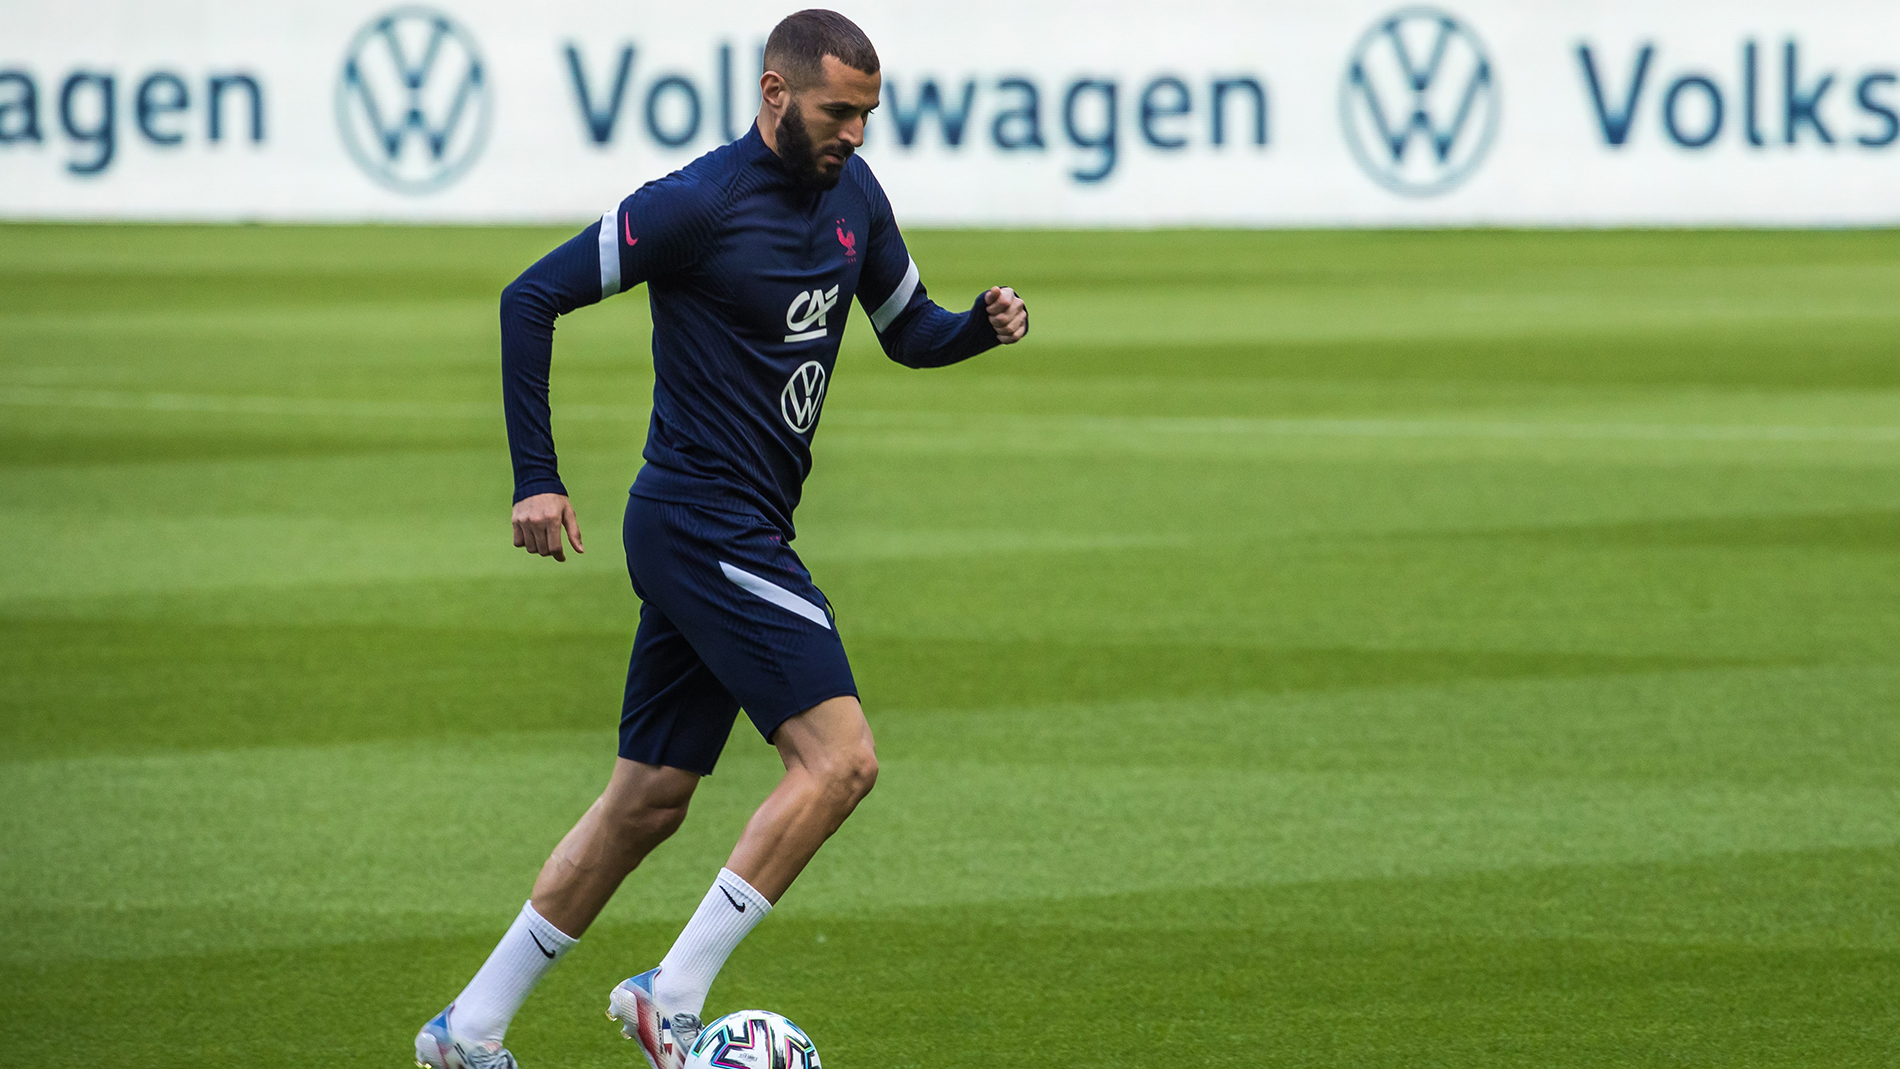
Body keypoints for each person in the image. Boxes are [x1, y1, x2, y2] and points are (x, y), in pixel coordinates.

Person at [413, 9, 1029, 1069]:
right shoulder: (698, 203)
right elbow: (531, 297)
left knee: (647, 802)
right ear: (776, 94)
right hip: (703, 523)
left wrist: (976, 325)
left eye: (869, 114)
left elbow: (907, 329)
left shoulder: (856, 197)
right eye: (838, 111)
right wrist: (536, 478)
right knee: (839, 761)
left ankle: (468, 1027)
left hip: (733, 528)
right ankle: (672, 992)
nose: (855, 133)